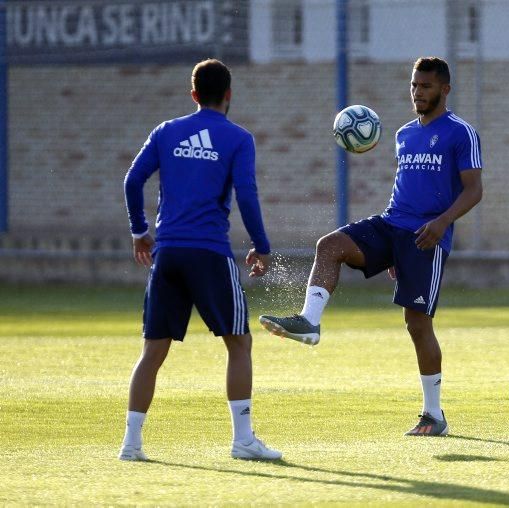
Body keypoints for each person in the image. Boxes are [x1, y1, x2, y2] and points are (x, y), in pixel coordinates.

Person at [260, 56, 483, 436]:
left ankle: (434, 416)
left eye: (426, 86)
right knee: (329, 245)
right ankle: (309, 321)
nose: (418, 92)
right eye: (414, 85)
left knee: (417, 324)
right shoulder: (403, 134)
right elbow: (406, 189)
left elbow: (474, 190)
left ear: (445, 89)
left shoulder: (461, 132)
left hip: (425, 237)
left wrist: (441, 223)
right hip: (392, 224)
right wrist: (391, 250)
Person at [120, 59, 281, 461]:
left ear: (193, 95)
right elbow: (246, 194)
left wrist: (141, 232)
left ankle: (131, 444)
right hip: (209, 254)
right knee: (239, 343)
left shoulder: (167, 131)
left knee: (152, 352)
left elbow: (132, 180)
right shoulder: (238, 138)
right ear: (229, 95)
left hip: (169, 254)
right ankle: (243, 441)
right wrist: (261, 244)